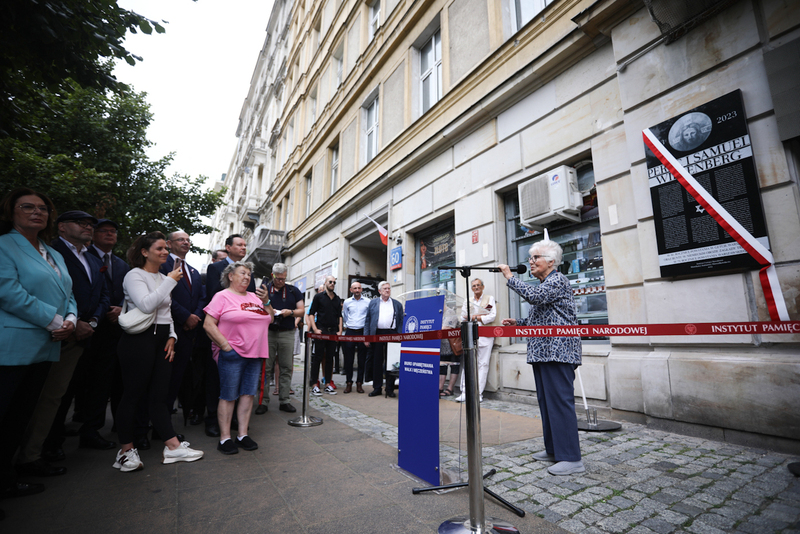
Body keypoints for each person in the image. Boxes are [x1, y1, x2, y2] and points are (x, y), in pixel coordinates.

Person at [17, 209, 112, 476]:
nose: (88, 227)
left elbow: (103, 293)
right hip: (57, 333)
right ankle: (41, 449)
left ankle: (44, 449)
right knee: (48, 397)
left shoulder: (91, 258)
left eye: (90, 224)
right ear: (61, 228)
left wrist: (91, 321)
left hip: (87, 333)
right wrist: (73, 321)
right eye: (81, 223)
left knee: (68, 393)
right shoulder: (52, 252)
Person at [0, 188, 77, 503]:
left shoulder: (53, 252)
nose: (37, 212)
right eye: (27, 206)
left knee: (20, 417)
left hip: (46, 346)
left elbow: (68, 293)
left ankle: (7, 479)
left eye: (43, 208)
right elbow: (8, 292)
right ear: (11, 211)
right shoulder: (5, 245)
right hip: (13, 346)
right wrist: (56, 321)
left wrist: (71, 318)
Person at [113, 232, 203, 472]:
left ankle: (172, 447)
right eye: (159, 249)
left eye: (165, 248)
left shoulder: (163, 277)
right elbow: (146, 305)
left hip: (163, 339)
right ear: (144, 252)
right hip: (138, 341)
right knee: (132, 395)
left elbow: (166, 312)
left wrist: (172, 336)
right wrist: (171, 281)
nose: (165, 252)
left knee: (160, 397)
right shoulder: (135, 275)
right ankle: (125, 451)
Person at [498, 239, 584, 476]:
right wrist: (520, 323)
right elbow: (543, 318)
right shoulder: (546, 283)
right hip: (543, 352)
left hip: (558, 352)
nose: (531, 261)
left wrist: (509, 276)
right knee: (547, 404)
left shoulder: (556, 280)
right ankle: (554, 449)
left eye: (535, 257)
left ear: (551, 261)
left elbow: (534, 297)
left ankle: (572, 458)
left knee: (560, 403)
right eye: (530, 257)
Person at [203, 261, 274, 455]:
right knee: (228, 395)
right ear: (230, 276)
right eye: (242, 273)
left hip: (256, 353)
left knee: (247, 394)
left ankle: (242, 434)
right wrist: (226, 347)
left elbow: (270, 318)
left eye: (249, 274)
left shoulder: (255, 297)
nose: (247, 277)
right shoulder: (222, 296)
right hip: (232, 353)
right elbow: (208, 324)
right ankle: (225, 438)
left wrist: (267, 301)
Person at [78, 219, 130, 449]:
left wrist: (122, 309)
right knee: (86, 382)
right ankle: (86, 427)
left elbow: (128, 294)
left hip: (117, 330)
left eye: (113, 231)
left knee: (112, 379)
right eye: (104, 231)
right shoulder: (84, 256)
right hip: (87, 328)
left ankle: (113, 424)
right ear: (93, 235)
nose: (109, 234)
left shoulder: (121, 264)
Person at [203, 234, 254, 437]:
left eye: (244, 245)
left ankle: (235, 421)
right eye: (239, 244)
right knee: (217, 381)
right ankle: (213, 420)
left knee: (239, 383)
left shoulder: (248, 272)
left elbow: (250, 301)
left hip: (245, 338)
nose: (243, 247)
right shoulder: (216, 268)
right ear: (228, 247)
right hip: (223, 334)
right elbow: (212, 299)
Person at [160, 231, 205, 425]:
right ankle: (156, 424)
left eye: (188, 240)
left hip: (188, 333)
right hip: (167, 330)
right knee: (163, 379)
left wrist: (195, 316)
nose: (186, 242)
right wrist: (185, 316)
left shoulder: (193, 271)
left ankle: (166, 424)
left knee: (177, 379)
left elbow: (202, 298)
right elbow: (164, 296)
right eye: (181, 240)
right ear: (169, 243)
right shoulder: (162, 266)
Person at [256, 263, 303, 413]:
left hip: (287, 332)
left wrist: (290, 312)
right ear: (272, 275)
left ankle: (285, 400)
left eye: (283, 279)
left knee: (286, 367)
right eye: (278, 279)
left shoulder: (293, 290)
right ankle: (262, 402)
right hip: (267, 332)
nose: (281, 282)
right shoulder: (263, 289)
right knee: (265, 368)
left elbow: (301, 310)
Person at [455, 278, 496, 402]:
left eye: (478, 285)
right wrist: (479, 317)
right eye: (474, 286)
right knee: (468, 362)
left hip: (486, 336)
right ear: (471, 288)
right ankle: (464, 391)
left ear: (483, 287)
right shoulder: (468, 300)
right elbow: (463, 317)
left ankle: (478, 394)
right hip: (470, 335)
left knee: (483, 364)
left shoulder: (489, 299)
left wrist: (473, 317)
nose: (476, 287)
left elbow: (492, 316)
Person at [364, 281, 404, 398]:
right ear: (380, 291)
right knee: (377, 361)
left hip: (392, 334)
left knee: (391, 362)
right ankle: (377, 388)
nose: (387, 290)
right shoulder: (373, 303)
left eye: (389, 288)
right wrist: (367, 337)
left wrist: (399, 335)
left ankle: (390, 388)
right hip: (377, 334)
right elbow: (367, 321)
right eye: (385, 288)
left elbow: (401, 321)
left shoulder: (397, 304)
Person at [308, 276, 343, 395]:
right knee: (317, 358)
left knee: (329, 358)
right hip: (321, 331)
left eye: (334, 282)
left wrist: (339, 331)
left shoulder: (337, 299)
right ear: (325, 283)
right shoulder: (318, 297)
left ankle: (328, 383)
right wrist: (315, 329)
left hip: (333, 332)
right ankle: (314, 384)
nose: (332, 284)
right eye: (330, 282)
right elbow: (311, 313)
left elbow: (339, 316)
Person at [342, 281, 370, 393]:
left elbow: (369, 317)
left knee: (362, 359)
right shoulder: (347, 302)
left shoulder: (368, 302)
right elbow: (345, 316)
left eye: (359, 288)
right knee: (348, 359)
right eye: (355, 288)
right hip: (350, 331)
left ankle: (359, 383)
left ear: (362, 289)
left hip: (362, 332)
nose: (357, 290)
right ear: (351, 290)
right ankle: (349, 383)